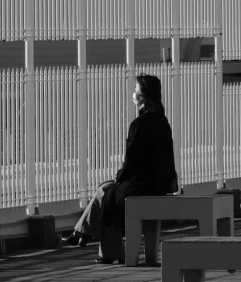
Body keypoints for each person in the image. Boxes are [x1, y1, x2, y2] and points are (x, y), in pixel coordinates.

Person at [70, 73, 179, 262]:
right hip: (160, 183)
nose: (133, 93)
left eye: (136, 90)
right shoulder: (162, 120)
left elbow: (131, 160)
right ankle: (82, 232)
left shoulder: (140, 124)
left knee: (107, 194)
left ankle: (93, 240)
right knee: (105, 189)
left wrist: (120, 176)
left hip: (143, 184)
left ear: (142, 96)